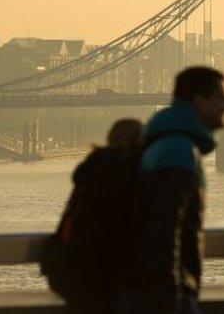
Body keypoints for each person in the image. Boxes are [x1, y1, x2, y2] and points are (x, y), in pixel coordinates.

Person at [119, 67, 224, 314]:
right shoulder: (177, 151)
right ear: (199, 100)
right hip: (162, 297)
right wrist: (169, 300)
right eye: (220, 97)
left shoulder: (168, 143)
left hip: (152, 292)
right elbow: (163, 232)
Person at [41, 118, 144, 313]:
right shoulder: (126, 173)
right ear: (135, 141)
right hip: (110, 280)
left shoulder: (91, 169)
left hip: (77, 276)